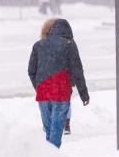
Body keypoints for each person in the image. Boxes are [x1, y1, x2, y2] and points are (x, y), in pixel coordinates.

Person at [28, 19, 89, 148]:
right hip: (61, 90)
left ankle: (49, 156)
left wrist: (39, 86)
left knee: (49, 129)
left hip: (43, 92)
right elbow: (77, 71)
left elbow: (31, 71)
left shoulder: (38, 45)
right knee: (56, 131)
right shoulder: (69, 44)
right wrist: (84, 94)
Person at [39, 19, 73, 135]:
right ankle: (65, 123)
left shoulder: (43, 44)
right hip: (62, 77)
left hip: (47, 78)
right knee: (63, 100)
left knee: (50, 101)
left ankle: (51, 123)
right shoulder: (66, 42)